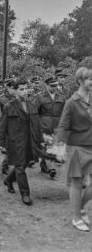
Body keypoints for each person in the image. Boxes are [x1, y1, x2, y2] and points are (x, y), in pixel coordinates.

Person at [56, 67, 92, 232]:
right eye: (89, 79)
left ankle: (81, 207)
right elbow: (63, 126)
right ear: (80, 81)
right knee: (77, 182)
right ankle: (76, 218)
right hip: (76, 147)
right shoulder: (71, 102)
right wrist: (60, 149)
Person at [0, 79, 44, 206]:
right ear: (15, 91)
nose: (25, 91)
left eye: (26, 89)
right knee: (20, 167)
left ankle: (8, 180)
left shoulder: (32, 104)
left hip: (30, 141)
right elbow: (2, 127)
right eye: (21, 89)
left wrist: (41, 140)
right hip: (16, 141)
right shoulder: (9, 106)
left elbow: (37, 125)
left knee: (22, 165)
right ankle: (25, 194)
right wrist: (0, 143)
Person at [34, 76, 66, 179]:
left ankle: (44, 165)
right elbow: (35, 112)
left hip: (57, 125)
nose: (54, 88)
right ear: (47, 86)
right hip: (45, 125)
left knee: (54, 146)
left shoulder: (61, 97)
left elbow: (65, 112)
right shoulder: (40, 97)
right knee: (47, 145)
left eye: (56, 86)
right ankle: (51, 168)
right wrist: (38, 125)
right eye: (52, 86)